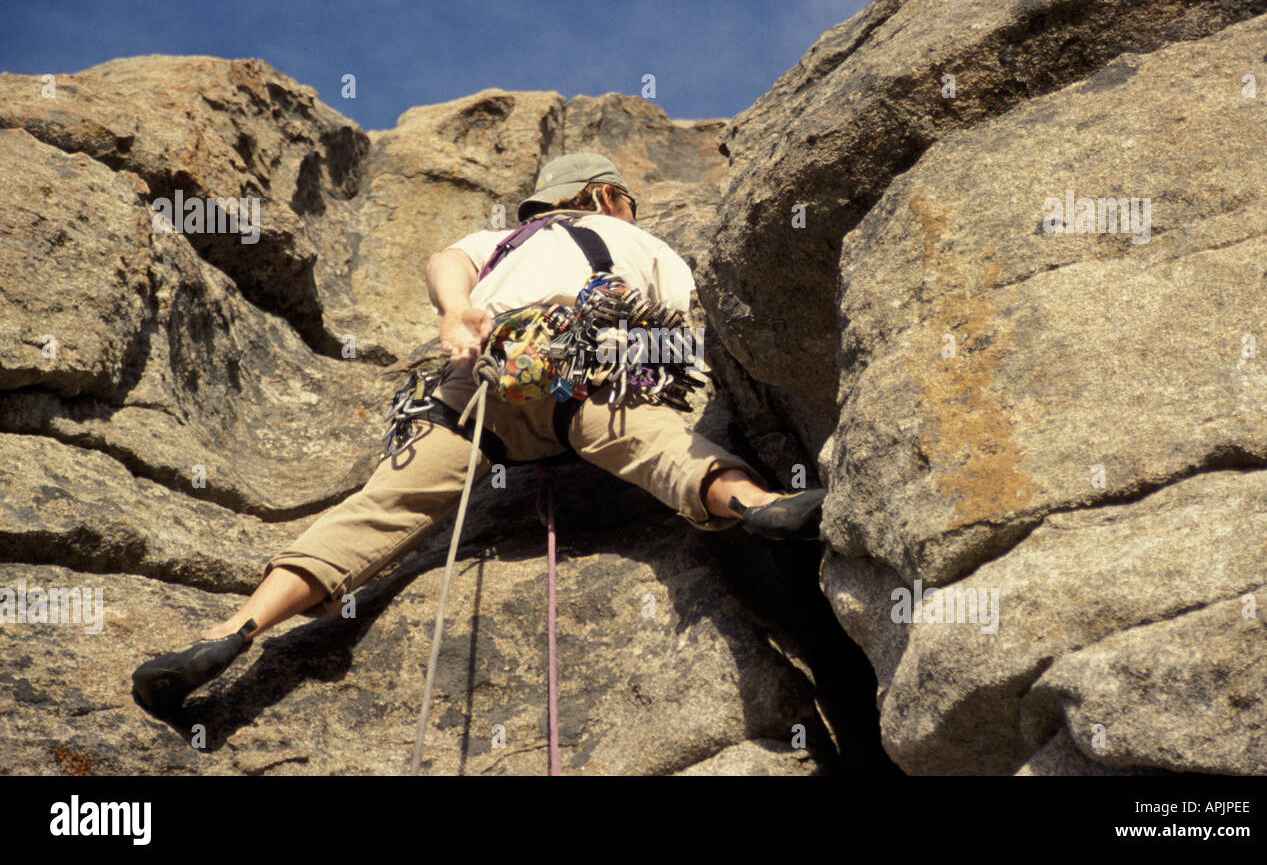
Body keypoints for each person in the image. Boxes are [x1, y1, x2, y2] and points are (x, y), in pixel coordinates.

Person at [131, 152, 826, 715]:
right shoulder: (639, 239)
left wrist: (458, 313)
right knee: (660, 447)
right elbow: (681, 329)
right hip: (589, 370)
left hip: (483, 378)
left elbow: (445, 262)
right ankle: (758, 506)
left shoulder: (507, 240)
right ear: (608, 196)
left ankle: (231, 632)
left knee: (381, 509)